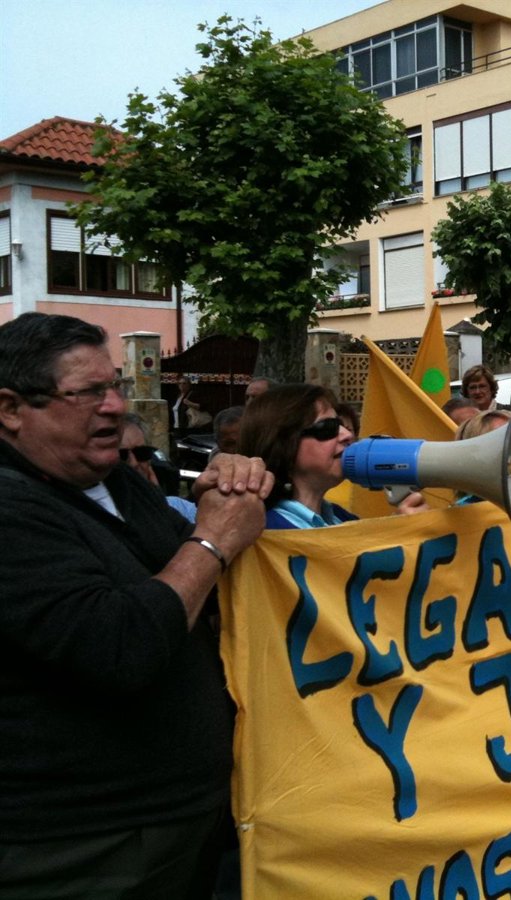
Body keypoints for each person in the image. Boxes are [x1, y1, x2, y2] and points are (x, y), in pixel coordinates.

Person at [0, 312, 270, 898]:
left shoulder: (117, 482)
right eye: (88, 393)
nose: (116, 407)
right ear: (11, 409)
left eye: (115, 385)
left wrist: (224, 488)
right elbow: (120, 646)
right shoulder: (12, 509)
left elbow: (196, 588)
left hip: (184, 821)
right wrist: (212, 539)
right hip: (84, 846)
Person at [239, 383, 426, 529]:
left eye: (341, 424)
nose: (347, 435)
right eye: (327, 427)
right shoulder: (262, 531)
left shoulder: (343, 519)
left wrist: (398, 532)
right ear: (284, 444)